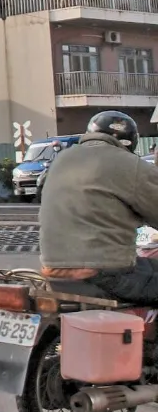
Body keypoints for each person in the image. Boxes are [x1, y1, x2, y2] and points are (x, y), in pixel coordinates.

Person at [40, 110, 158, 304]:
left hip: (53, 271)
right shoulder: (130, 164)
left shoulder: (60, 160)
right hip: (104, 273)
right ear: (130, 141)